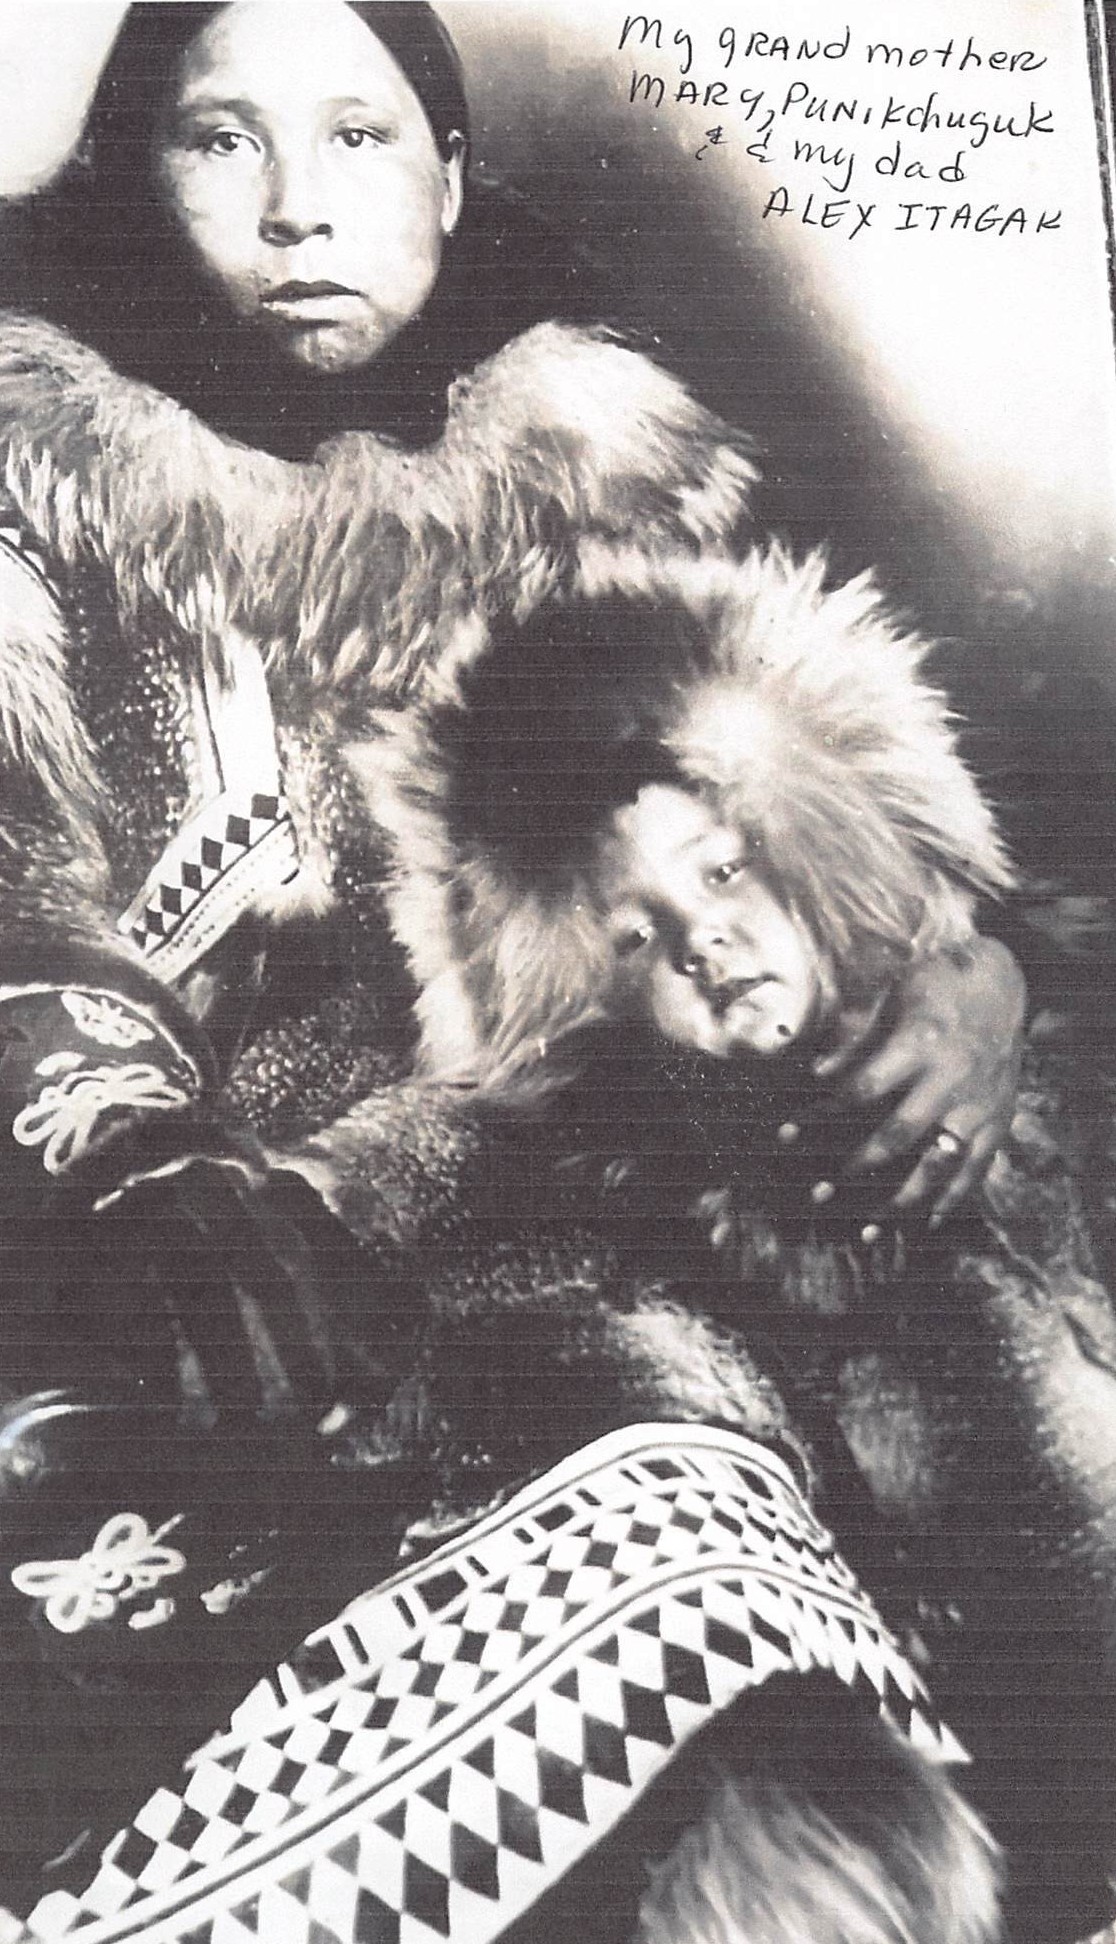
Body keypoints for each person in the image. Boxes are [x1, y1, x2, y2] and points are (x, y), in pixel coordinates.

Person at [0, 0, 1029, 1918]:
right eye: (221, 140)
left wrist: (971, 970)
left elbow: (807, 809)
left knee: (759, 1639)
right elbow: (14, 876)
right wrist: (129, 1146)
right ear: (140, 174)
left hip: (588, 1216)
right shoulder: (33, 491)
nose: (298, 207)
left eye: (359, 137)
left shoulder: (601, 498)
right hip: (168, 1243)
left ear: (454, 178)